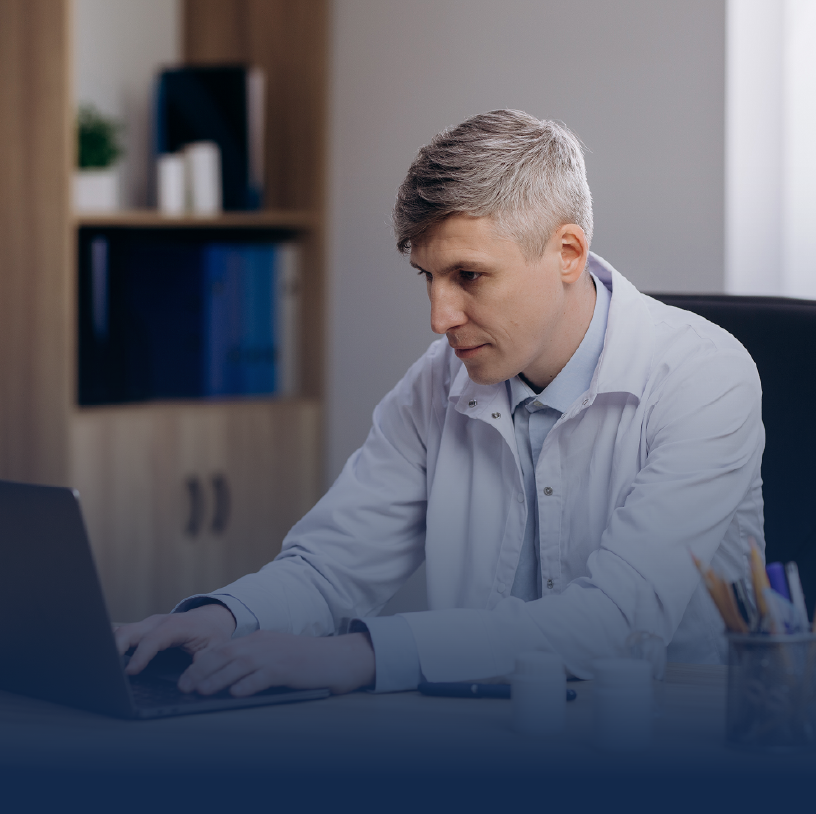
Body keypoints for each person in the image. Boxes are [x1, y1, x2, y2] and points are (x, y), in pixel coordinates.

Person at [116, 110, 764, 697]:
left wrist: (359, 657)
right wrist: (219, 618)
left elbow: (619, 625)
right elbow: (330, 567)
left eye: (469, 276)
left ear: (567, 253)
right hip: (481, 737)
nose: (439, 317)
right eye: (429, 277)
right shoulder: (437, 382)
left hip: (661, 745)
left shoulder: (705, 378)